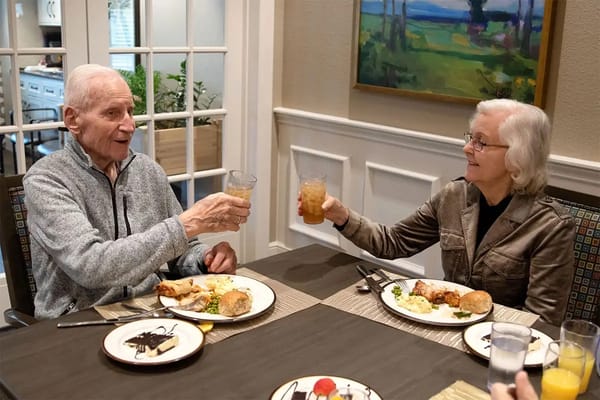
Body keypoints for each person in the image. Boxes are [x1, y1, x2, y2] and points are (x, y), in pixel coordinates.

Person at [298, 98, 574, 326]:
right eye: (470, 138)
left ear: (518, 155)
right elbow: (393, 243)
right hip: (440, 324)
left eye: (481, 142)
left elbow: (542, 322)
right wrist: (341, 215)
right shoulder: (454, 196)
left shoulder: (550, 226)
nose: (467, 148)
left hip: (497, 347)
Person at [24, 64, 251, 319]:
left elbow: (181, 251)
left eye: (130, 111)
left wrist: (206, 259)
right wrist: (189, 223)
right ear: (72, 120)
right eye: (112, 113)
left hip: (150, 310)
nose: (129, 125)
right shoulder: (46, 180)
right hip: (79, 322)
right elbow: (91, 266)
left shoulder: (146, 170)